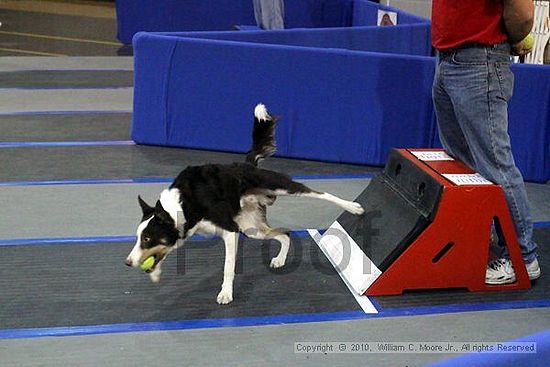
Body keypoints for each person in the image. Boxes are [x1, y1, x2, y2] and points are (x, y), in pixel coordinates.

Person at [431, 0, 541, 284]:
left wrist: (514, 38)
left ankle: (523, 258)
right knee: (461, 160)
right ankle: (483, 238)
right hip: (446, 58)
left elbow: (524, 13)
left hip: (480, 61)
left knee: (496, 165)